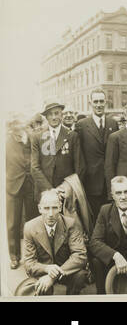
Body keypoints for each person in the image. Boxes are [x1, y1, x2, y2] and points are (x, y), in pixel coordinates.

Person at [20, 189, 90, 295]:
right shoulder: (30, 227)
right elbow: (29, 263)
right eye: (46, 208)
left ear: (60, 208)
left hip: (66, 270)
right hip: (43, 271)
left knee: (80, 276)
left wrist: (52, 277)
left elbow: (80, 255)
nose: (51, 214)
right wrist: (47, 269)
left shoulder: (71, 224)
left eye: (54, 208)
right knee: (42, 287)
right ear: (39, 209)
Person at [74, 90, 119, 222]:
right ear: (90, 103)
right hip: (91, 181)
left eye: (101, 101)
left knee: (111, 217)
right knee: (94, 217)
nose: (99, 105)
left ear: (106, 102)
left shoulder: (113, 124)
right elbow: (79, 155)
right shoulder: (81, 125)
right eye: (96, 102)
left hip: (110, 180)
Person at [9, 114, 41, 268]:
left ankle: (33, 256)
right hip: (12, 186)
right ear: (12, 126)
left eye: (22, 123)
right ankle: (14, 256)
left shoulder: (31, 138)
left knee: (32, 221)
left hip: (30, 185)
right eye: (16, 124)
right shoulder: (6, 142)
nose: (20, 127)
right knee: (13, 223)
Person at [30, 102, 82, 193]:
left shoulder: (72, 136)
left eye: (56, 113)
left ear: (61, 115)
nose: (54, 117)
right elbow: (35, 167)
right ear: (46, 117)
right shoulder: (37, 137)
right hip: (45, 192)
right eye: (50, 114)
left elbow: (78, 166)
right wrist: (49, 189)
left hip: (66, 191)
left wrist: (67, 188)